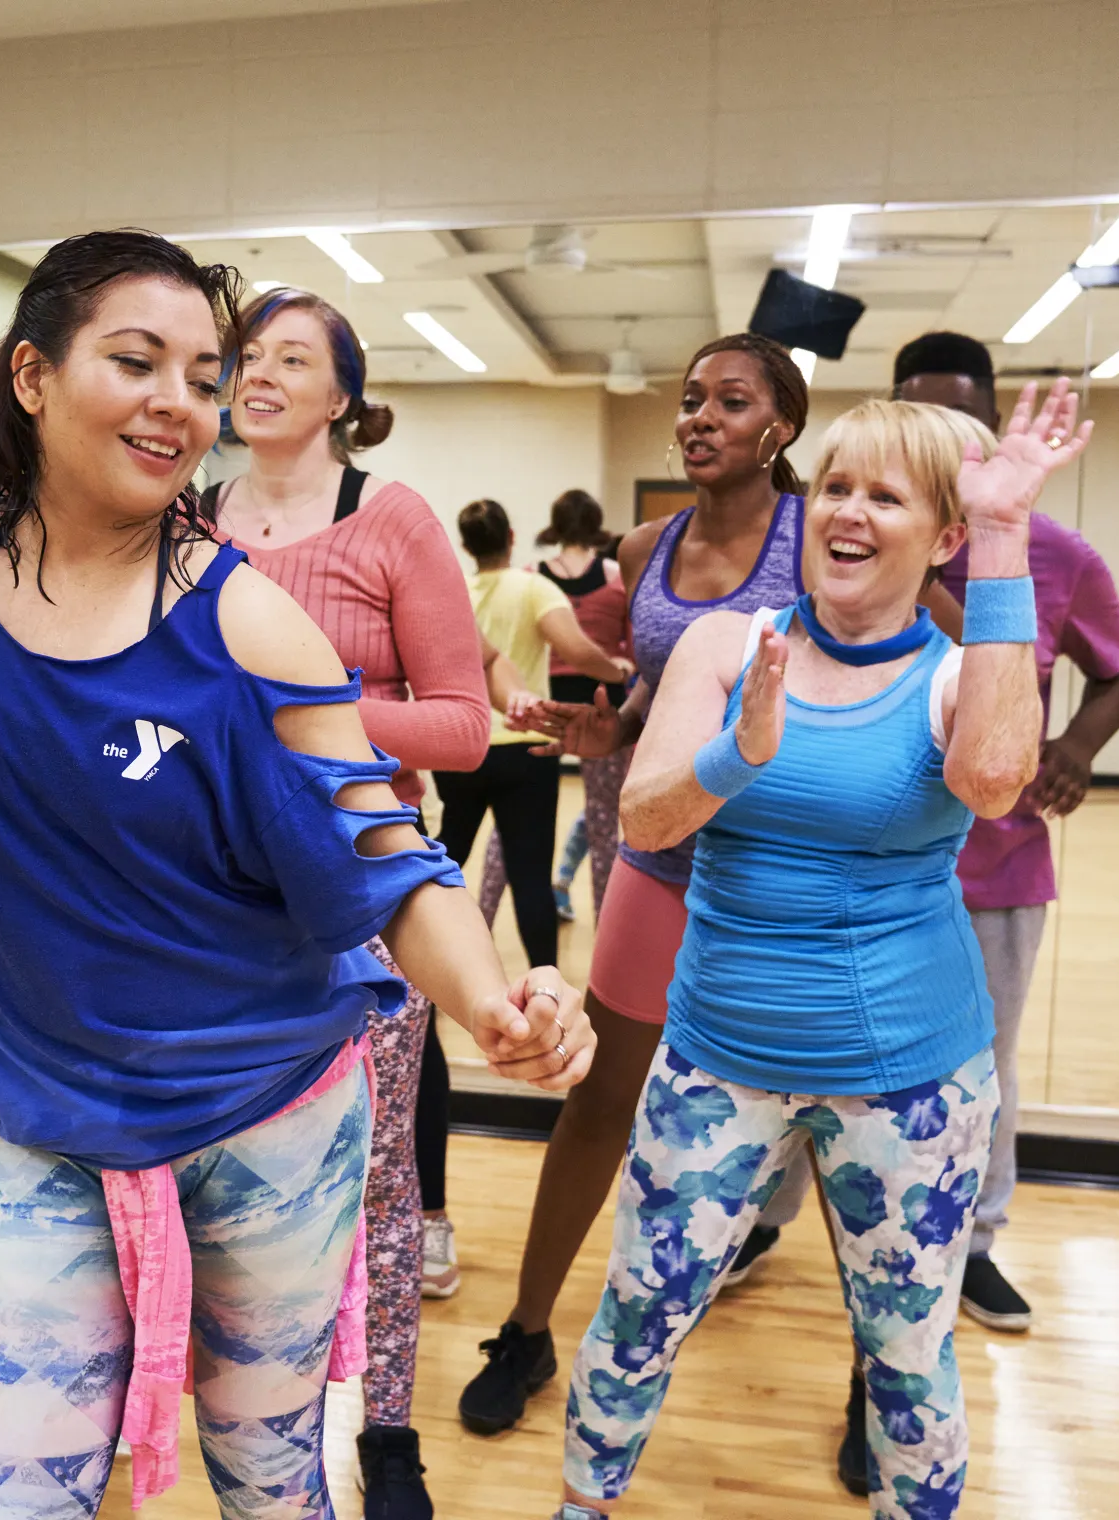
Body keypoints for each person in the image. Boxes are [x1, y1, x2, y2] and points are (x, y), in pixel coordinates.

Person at [0, 230, 597, 1520]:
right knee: (16, 1493)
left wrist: (492, 1002)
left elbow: (390, 851)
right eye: (136, 362)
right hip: (48, 1118)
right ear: (32, 374)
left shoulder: (243, 613)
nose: (179, 403)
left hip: (268, 1111)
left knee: (266, 1481)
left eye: (204, 376)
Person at [554, 384, 1092, 1520]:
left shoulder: (954, 671)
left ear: (941, 535)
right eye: (833, 487)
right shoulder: (726, 642)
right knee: (639, 1314)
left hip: (908, 1076)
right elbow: (646, 820)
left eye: (883, 495)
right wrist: (736, 753)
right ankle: (580, 1505)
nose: (845, 512)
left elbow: (996, 781)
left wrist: (1004, 537)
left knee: (906, 1355)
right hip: (717, 1058)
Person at [740, 331, 1119, 1493]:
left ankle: (961, 1264)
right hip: (839, 887)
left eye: (967, 430)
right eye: (916, 424)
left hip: (993, 868)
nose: (950, 453)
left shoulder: (1053, 552)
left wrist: (1069, 747)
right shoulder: (845, 544)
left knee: (978, 1086)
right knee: (805, 1096)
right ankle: (769, 1224)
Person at [456, 334, 810, 1437]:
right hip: (663, 860)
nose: (700, 415)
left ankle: (867, 1381)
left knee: (830, 1117)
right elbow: (663, 689)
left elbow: (897, 663)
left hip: (782, 867)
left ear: (780, 429)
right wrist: (608, 724)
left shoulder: (820, 541)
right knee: (601, 1092)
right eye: (692, 398)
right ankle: (525, 1328)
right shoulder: (649, 542)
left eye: (731, 400)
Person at [204, 285, 489, 1516]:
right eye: (246, 355)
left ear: (343, 398)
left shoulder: (393, 521)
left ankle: (384, 1434)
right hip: (209, 892)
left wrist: (299, 701)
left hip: (362, 882)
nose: (260, 375)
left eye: (293, 358)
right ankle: (225, 1398)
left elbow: (463, 728)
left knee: (376, 1178)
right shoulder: (183, 516)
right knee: (213, 1159)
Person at [434, 497, 632, 974]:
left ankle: (430, 974)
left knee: (445, 864)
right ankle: (545, 986)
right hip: (524, 746)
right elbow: (577, 651)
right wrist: (617, 669)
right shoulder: (533, 588)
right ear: (511, 538)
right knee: (530, 877)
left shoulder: (455, 589)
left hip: (461, 747)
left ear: (466, 544)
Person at [476, 493, 630, 927]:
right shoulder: (616, 577)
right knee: (604, 828)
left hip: (545, 711)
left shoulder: (532, 577)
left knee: (511, 827)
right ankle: (607, 928)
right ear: (597, 525)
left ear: (555, 527)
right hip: (604, 711)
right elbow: (627, 648)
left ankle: (482, 917)